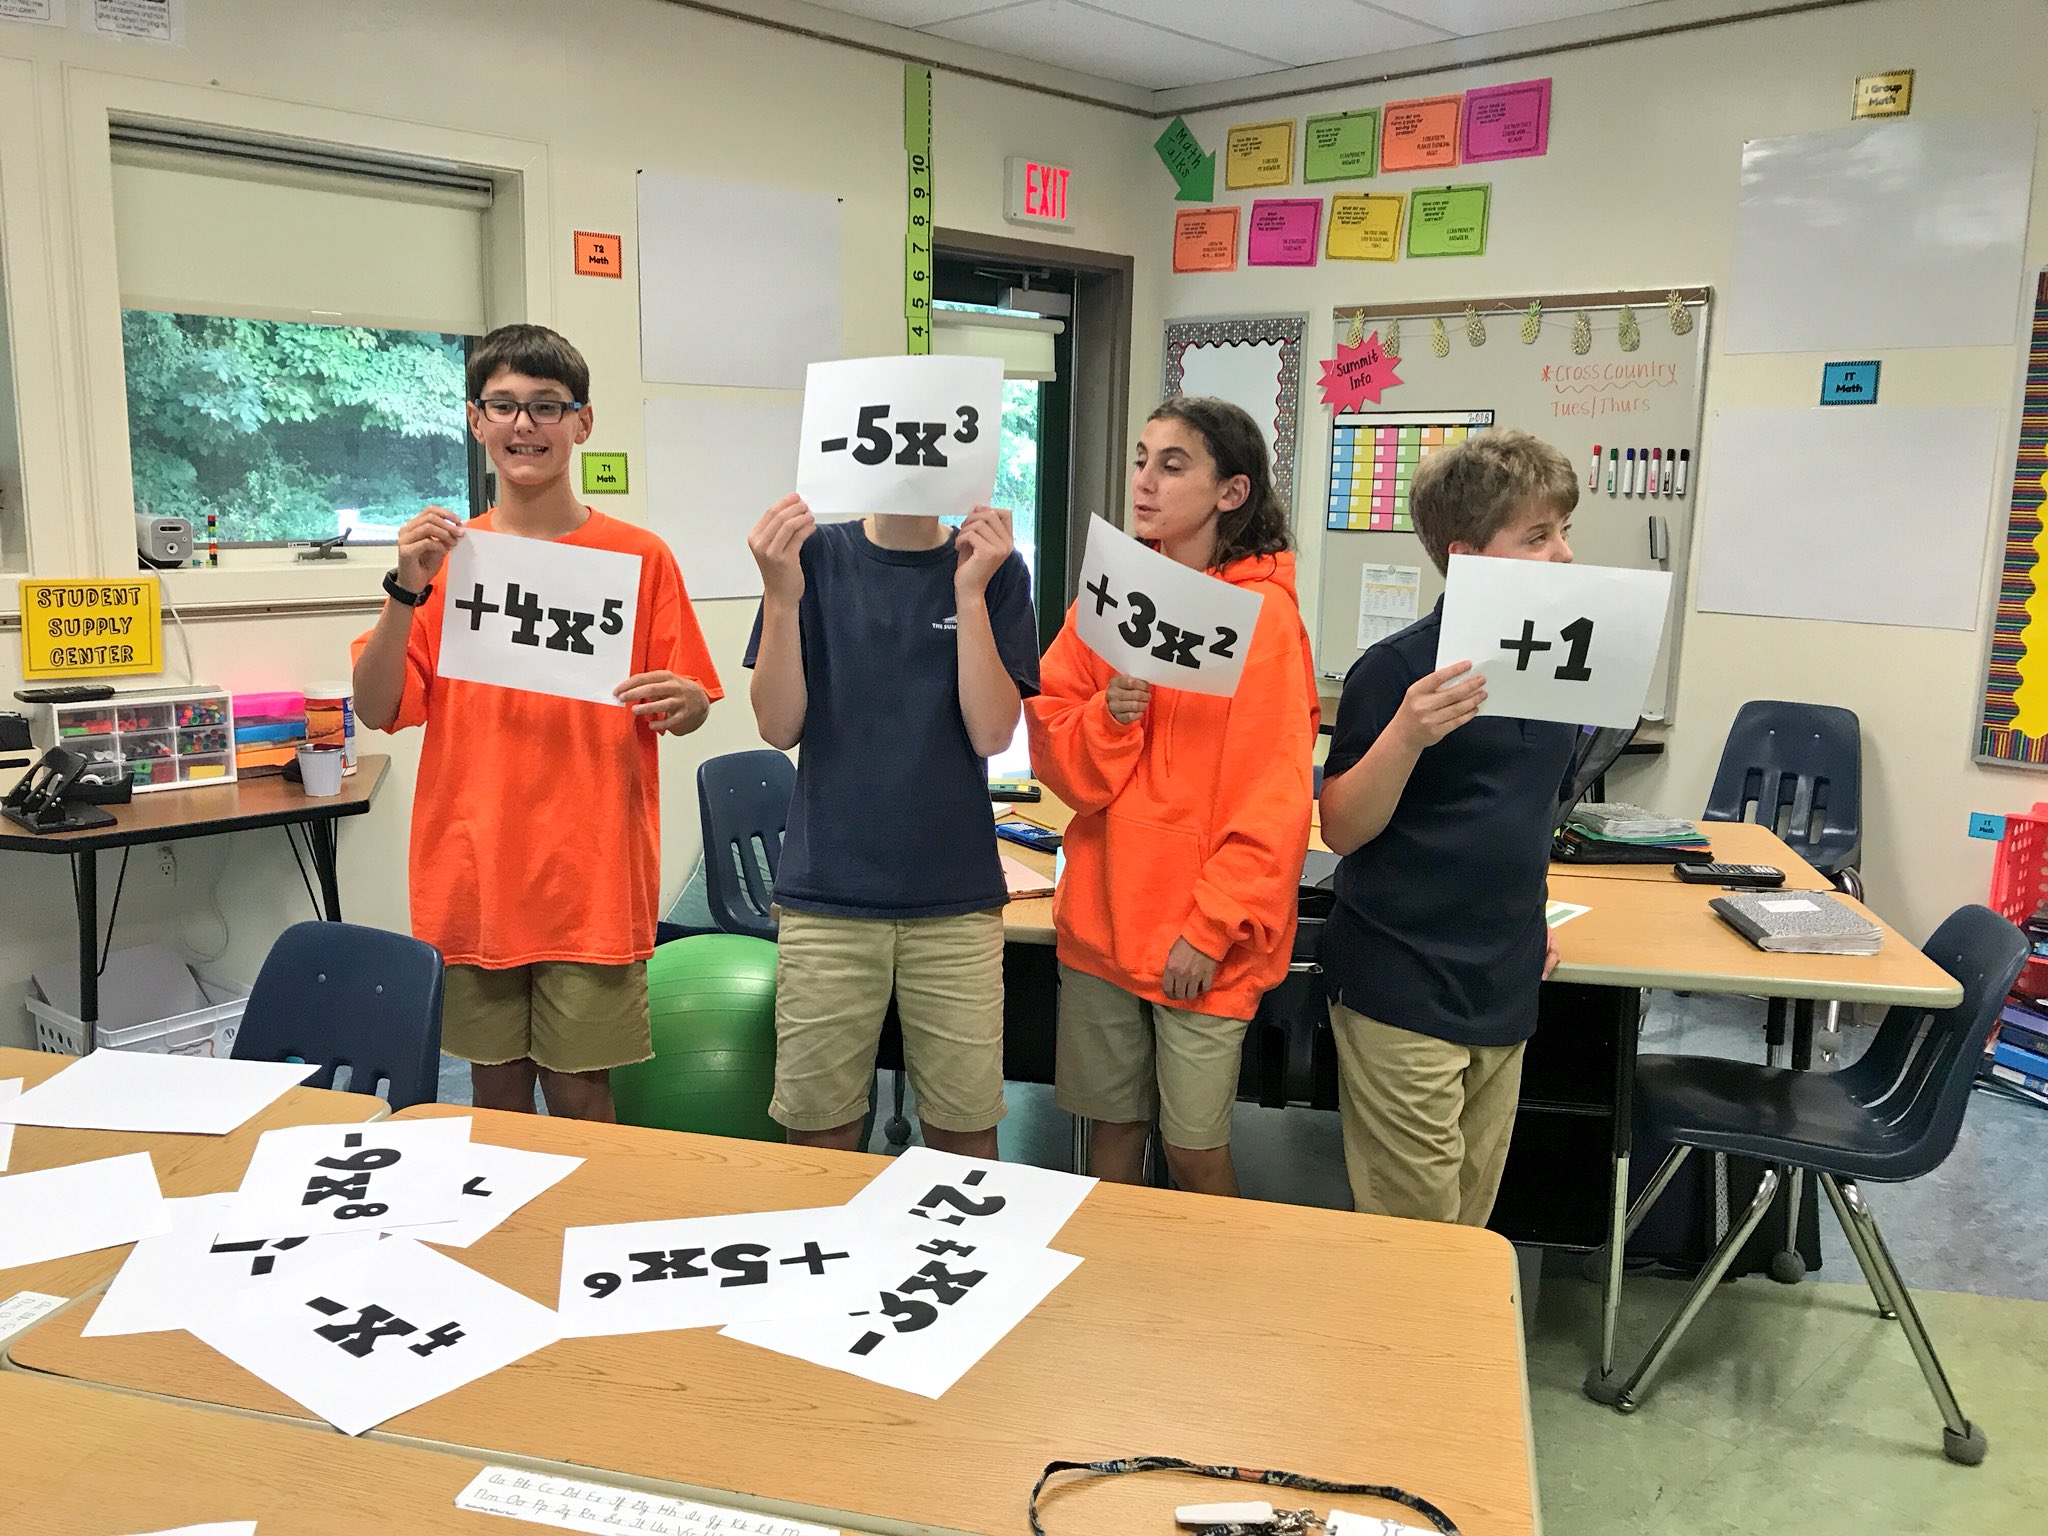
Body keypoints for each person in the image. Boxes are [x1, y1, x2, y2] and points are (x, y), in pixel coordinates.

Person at [352, 323, 720, 1122]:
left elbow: (687, 701)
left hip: (590, 876)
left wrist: (689, 703)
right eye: (505, 405)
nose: (525, 424)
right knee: (494, 1090)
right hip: (475, 871)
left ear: (581, 423)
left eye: (547, 406)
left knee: (583, 1092)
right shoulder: (443, 560)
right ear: (476, 420)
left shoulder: (640, 558)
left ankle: (591, 1210)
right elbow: (376, 708)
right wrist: (403, 588)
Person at [1027, 397, 1318, 1196]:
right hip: (1103, 922)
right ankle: (1115, 1273)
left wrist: (1212, 927)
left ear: (1232, 491)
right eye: (1141, 460)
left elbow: (1275, 800)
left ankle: (1214, 1277)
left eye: (1172, 464)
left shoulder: (1264, 619)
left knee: (1193, 1150)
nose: (1145, 482)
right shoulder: (1110, 596)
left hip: (1202, 941)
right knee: (1112, 1134)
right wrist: (1108, 719)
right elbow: (1058, 751)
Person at [1317, 427, 1578, 1224]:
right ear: (1466, 558)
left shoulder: (1560, 667)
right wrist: (1406, 734)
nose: (1564, 554)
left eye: (1564, 531)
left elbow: (1522, 813)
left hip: (1503, 979)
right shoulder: (1397, 669)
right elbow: (1341, 828)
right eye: (1537, 537)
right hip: (1403, 977)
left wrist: (1531, 915)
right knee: (1416, 1231)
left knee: (1466, 1219)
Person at [744, 492, 1038, 1157]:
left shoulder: (993, 566)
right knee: (819, 1134)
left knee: (966, 1133)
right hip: (828, 896)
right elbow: (778, 725)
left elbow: (993, 733)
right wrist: (781, 597)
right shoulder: (814, 555)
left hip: (955, 900)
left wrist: (969, 594)